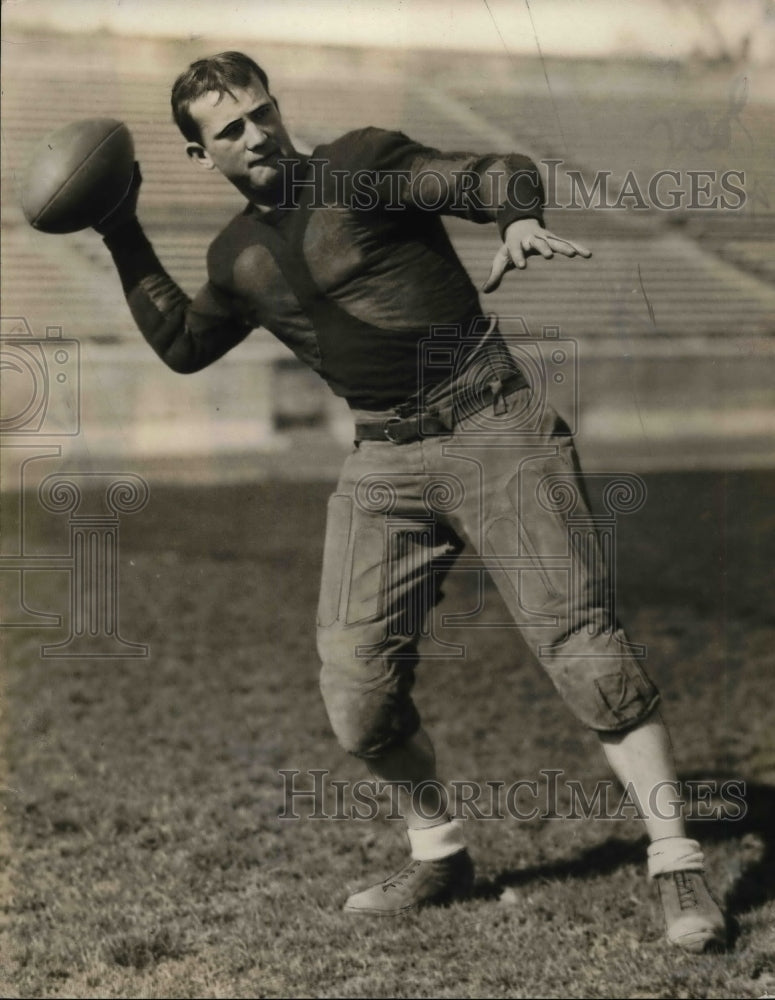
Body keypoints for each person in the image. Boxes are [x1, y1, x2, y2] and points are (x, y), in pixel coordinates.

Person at [95, 50, 726, 953]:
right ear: (202, 155)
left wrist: (514, 217)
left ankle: (676, 859)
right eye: (228, 129)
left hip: (491, 422)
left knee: (583, 646)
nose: (255, 133)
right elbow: (185, 346)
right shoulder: (234, 254)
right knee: (356, 696)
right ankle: (438, 851)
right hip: (383, 462)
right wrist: (119, 229)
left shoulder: (362, 162)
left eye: (262, 111)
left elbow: (488, 173)